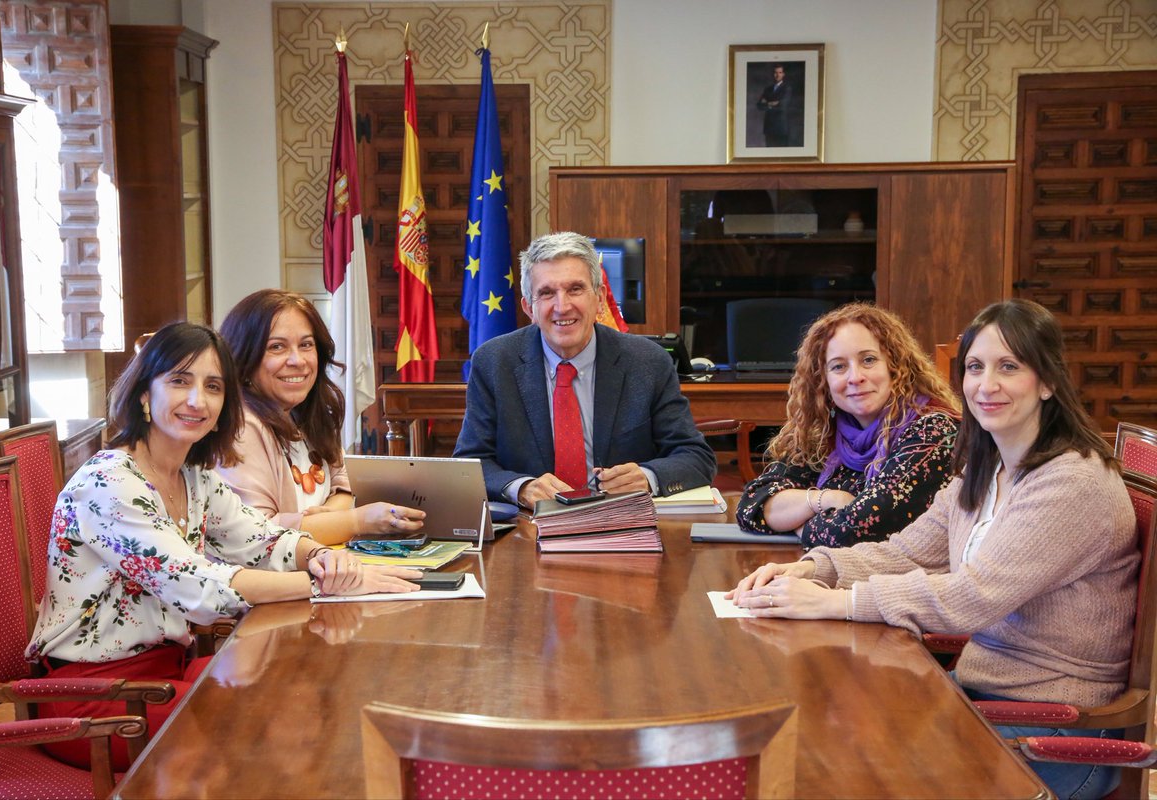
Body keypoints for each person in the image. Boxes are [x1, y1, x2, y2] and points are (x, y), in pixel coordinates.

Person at [729, 299, 1138, 800]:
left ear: (1048, 381)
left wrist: (839, 602)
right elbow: (907, 551)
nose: (986, 385)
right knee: (822, 745)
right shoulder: (987, 469)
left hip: (1053, 736)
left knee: (842, 772)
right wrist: (814, 570)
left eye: (1009, 367)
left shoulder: (1071, 482)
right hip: (980, 701)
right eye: (975, 367)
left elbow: (972, 597)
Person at [25, 322, 421, 769]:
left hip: (167, 676)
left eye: (213, 387)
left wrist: (322, 555)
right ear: (143, 395)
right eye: (179, 380)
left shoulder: (194, 476)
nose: (198, 400)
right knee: (260, 725)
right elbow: (199, 587)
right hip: (94, 701)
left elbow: (261, 538)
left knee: (300, 693)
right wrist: (323, 583)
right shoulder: (108, 482)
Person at [453, 231, 716, 509]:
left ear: (600, 298)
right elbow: (469, 462)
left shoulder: (647, 362)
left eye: (575, 289)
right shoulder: (494, 362)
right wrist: (521, 487)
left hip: (621, 524)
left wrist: (648, 477)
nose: (562, 306)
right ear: (529, 307)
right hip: (530, 528)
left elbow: (695, 456)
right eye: (546, 293)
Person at [736, 303, 959, 548]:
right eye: (839, 366)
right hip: (828, 573)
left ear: (895, 367)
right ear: (823, 381)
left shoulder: (933, 431)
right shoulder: (823, 433)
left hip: (903, 581)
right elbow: (753, 506)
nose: (855, 377)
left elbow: (857, 530)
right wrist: (825, 499)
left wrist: (800, 525)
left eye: (869, 360)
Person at [215, 289, 424, 545]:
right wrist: (356, 522)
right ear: (244, 358)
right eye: (277, 347)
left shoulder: (307, 412)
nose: (298, 360)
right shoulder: (241, 427)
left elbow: (345, 486)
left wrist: (329, 519)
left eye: (306, 345)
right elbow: (259, 534)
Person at [757, 63, 791, 147]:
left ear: (783, 74)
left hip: (781, 127)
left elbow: (783, 105)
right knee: (769, 156)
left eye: (779, 72)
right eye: (775, 72)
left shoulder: (787, 88)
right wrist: (773, 103)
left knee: (782, 156)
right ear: (773, 74)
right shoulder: (767, 89)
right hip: (769, 127)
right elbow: (759, 105)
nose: (777, 75)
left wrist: (767, 103)